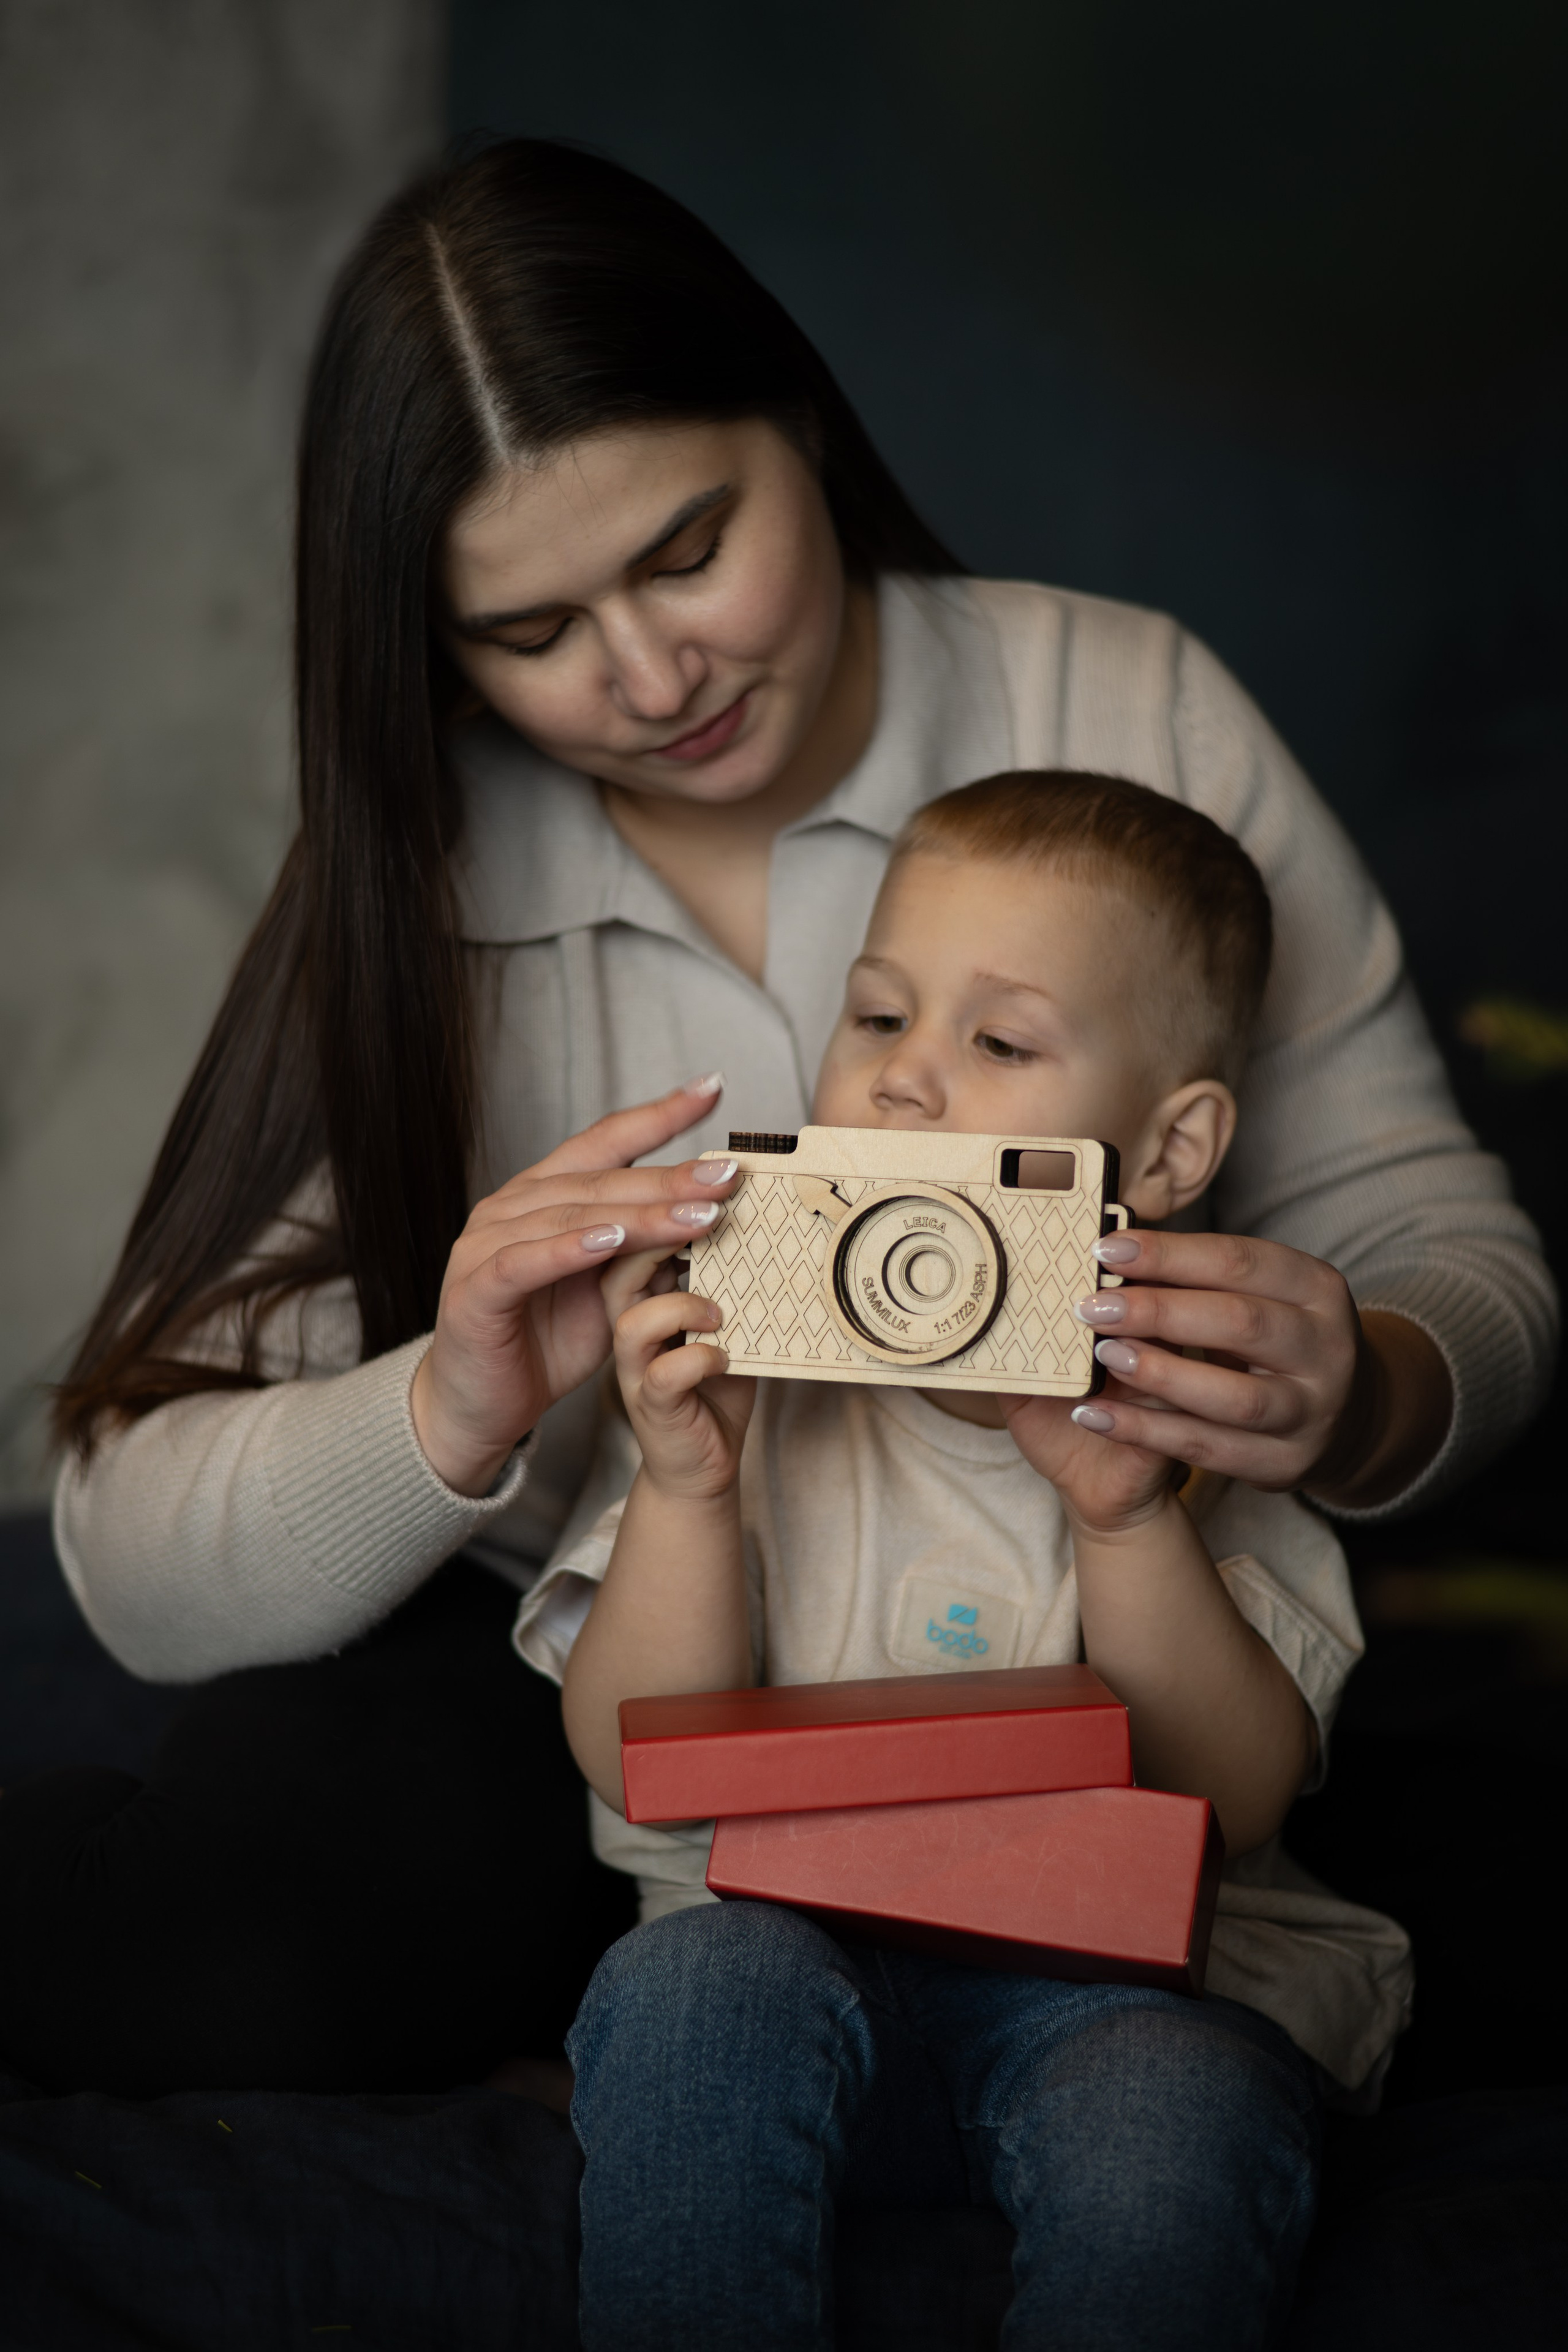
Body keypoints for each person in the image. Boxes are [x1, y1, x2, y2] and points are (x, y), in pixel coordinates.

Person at [0, 139, 1550, 2098]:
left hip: (1079, 1639)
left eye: (684, 551)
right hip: (598, 1693)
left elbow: (1454, 1250)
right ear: (428, 645)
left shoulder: (1124, 701)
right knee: (249, 1948)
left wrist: (1371, 1384)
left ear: (801, 422)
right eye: (531, 633)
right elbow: (131, 1561)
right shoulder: (409, 877)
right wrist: (454, 1411)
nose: (652, 679)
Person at [520, 771, 1412, 2348]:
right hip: (789, 1972)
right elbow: (626, 1763)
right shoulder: (737, 1382)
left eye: (997, 1044)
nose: (906, 1084)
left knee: (1177, 2091)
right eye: (875, 1019)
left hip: (1122, 1987)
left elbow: (1239, 1796)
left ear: (1173, 1141)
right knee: (687, 1994)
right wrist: (682, 1489)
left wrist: (1125, 1518)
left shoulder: (1207, 1406)